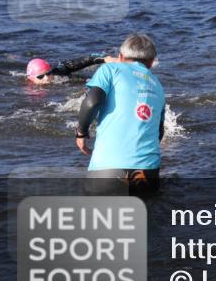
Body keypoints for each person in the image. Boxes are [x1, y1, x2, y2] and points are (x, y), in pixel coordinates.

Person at [75, 33, 166, 193]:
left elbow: (92, 101)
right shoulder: (158, 85)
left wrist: (81, 133)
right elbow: (159, 132)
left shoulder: (110, 69)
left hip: (107, 172)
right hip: (148, 174)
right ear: (151, 63)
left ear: (121, 56)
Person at [26, 53, 116, 84]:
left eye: (49, 73)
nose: (47, 78)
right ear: (31, 78)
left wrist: (105, 58)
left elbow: (84, 61)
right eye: (41, 76)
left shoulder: (59, 70)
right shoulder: (30, 92)